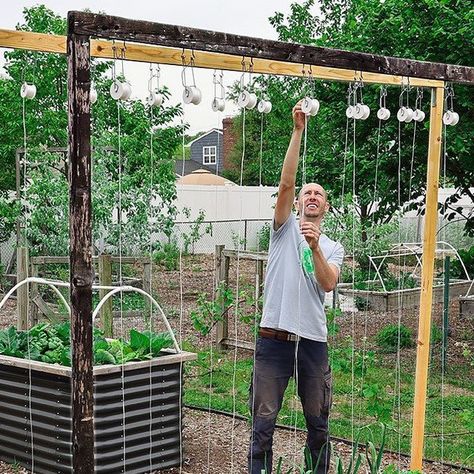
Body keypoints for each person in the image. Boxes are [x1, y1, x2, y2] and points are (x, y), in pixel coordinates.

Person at [248, 100, 344, 474]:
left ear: (326, 206)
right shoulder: (284, 228)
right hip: (274, 339)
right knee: (263, 425)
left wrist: (316, 246)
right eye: (308, 193)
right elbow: (286, 182)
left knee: (318, 424)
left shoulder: (333, 246)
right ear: (299, 202)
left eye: (319, 194)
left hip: (313, 344)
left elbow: (328, 283)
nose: (312, 196)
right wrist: (298, 131)